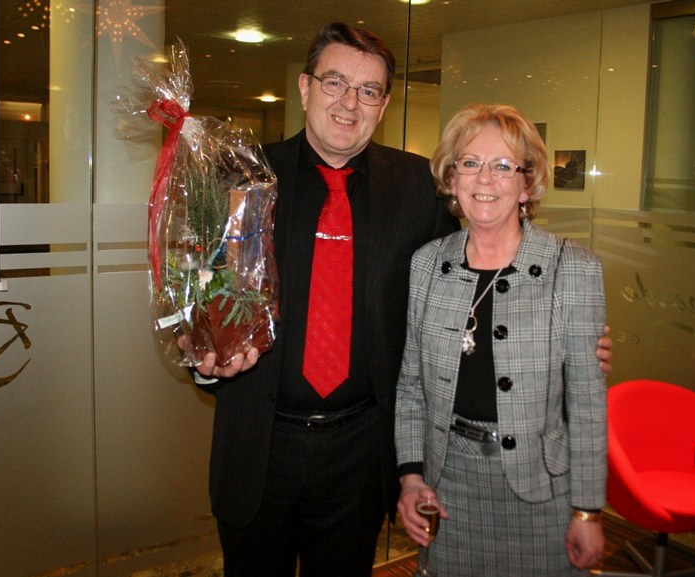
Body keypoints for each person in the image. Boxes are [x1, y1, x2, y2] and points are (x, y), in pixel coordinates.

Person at [192, 24, 612, 577]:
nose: (350, 103)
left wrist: (570, 343)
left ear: (384, 104)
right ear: (305, 87)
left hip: (362, 451)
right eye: (335, 82)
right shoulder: (244, 176)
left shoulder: (416, 186)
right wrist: (202, 352)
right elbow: (203, 286)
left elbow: (471, 279)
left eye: (368, 90)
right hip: (258, 444)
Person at [395, 103, 607, 577]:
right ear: (452, 179)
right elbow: (410, 388)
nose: (485, 179)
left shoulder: (573, 269)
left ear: (526, 185)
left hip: (541, 492)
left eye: (504, 166)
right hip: (447, 486)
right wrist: (411, 477)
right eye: (470, 163)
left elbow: (588, 404)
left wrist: (588, 510)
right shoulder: (427, 265)